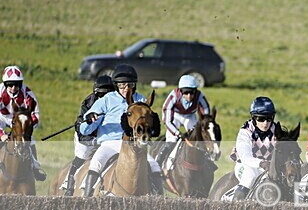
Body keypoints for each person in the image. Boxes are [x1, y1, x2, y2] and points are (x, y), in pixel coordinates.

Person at [78, 64, 163, 196]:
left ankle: (160, 201)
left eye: (129, 85)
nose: (126, 89)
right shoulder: (107, 100)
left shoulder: (140, 100)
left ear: (135, 85)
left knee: (155, 166)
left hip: (133, 145)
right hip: (109, 144)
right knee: (96, 164)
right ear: (116, 85)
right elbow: (84, 130)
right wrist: (89, 120)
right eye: (122, 85)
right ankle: (87, 198)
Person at [60, 75, 115, 195]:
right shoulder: (88, 103)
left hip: (104, 137)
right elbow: (83, 132)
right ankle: (69, 185)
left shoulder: (115, 102)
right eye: (101, 95)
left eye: (108, 94)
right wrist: (93, 140)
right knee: (82, 155)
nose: (104, 98)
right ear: (96, 93)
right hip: (86, 137)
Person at [0, 65, 47, 180]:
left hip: (20, 121)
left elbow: (35, 115)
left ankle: (35, 168)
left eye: (16, 84)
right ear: (6, 85)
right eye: (10, 85)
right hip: (2, 117)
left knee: (30, 141)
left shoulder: (28, 93)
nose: (13, 88)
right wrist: (1, 134)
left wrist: (27, 129)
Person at [156, 74, 212, 167]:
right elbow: (167, 120)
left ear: (196, 91)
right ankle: (159, 161)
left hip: (190, 116)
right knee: (172, 139)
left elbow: (206, 109)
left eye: (192, 93)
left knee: (197, 137)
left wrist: (204, 122)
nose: (189, 96)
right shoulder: (173, 96)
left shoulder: (200, 95)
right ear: (180, 91)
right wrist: (177, 133)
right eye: (186, 93)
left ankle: (207, 160)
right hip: (175, 116)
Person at [228, 96, 278, 200]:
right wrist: (261, 163)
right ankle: (234, 207)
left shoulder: (277, 130)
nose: (265, 123)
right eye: (261, 118)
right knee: (250, 176)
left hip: (269, 167)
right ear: (254, 118)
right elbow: (246, 157)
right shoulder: (245, 132)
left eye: (269, 118)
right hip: (246, 165)